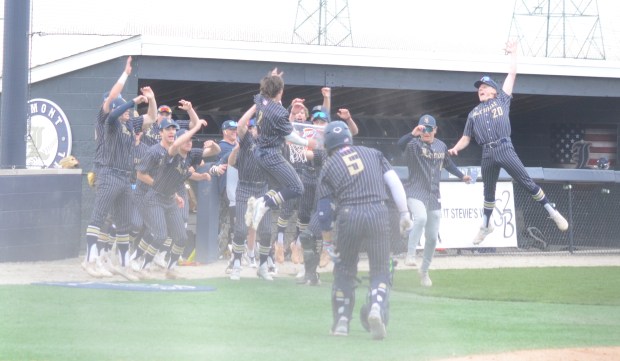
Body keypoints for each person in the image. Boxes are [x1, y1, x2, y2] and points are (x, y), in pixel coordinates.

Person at [448, 41, 568, 244]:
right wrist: (455, 148)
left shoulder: (502, 99)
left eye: (485, 87)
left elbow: (512, 74)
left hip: (504, 147)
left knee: (526, 182)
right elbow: (466, 138)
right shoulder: (473, 113)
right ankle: (486, 226)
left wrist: (514, 53)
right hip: (487, 152)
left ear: (494, 91)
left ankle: (552, 210)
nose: (481, 90)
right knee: (488, 192)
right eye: (479, 88)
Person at [316, 120, 412, 340]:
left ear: (329, 144)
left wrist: (328, 243)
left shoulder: (329, 165)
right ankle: (376, 306)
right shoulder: (373, 153)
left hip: (349, 216)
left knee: (345, 271)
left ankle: (341, 321)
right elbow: (395, 182)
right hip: (378, 213)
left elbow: (323, 213)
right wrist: (404, 213)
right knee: (380, 269)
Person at [82, 55, 156, 278]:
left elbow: (151, 118)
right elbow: (113, 106)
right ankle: (90, 260)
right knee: (99, 217)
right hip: (108, 172)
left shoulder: (129, 123)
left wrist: (151, 99)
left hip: (125, 177)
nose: (128, 110)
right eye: (123, 106)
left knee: (124, 224)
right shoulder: (109, 120)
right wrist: (128, 83)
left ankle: (123, 266)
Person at [134, 101, 207, 279]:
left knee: (180, 237)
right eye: (168, 129)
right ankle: (139, 262)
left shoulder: (181, 154)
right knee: (155, 233)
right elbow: (140, 175)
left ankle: (169, 267)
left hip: (168, 195)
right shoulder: (156, 151)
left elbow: (204, 148)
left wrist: (191, 111)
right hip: (150, 194)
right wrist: (196, 127)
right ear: (160, 132)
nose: (172, 132)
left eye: (174, 129)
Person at [398, 114, 471, 286]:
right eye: (423, 128)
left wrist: (462, 176)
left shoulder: (441, 146)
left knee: (432, 238)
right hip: (415, 191)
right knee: (421, 217)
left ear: (435, 130)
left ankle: (424, 271)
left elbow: (448, 163)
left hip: (433, 194)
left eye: (429, 128)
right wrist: (413, 133)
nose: (426, 132)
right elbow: (400, 145)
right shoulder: (413, 144)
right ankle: (410, 254)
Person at [245, 68, 317, 232]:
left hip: (259, 153)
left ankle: (261, 203)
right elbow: (290, 136)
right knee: (297, 188)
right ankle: (262, 204)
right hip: (271, 154)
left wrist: (272, 78)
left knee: (280, 188)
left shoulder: (260, 100)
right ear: (281, 91)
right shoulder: (280, 112)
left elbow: (266, 94)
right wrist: (307, 142)